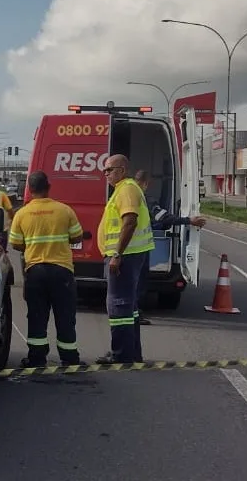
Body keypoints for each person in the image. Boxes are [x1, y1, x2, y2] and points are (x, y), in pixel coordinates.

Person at [8, 171, 86, 367]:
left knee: (36, 315)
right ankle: (69, 359)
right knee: (65, 315)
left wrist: (32, 245)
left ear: (30, 189)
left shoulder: (22, 213)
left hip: (35, 271)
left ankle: (36, 358)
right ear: (48, 187)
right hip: (62, 271)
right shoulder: (64, 210)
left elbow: (15, 244)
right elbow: (77, 237)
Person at [95, 155, 154, 364]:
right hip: (129, 256)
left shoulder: (127, 189)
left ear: (121, 170)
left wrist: (117, 254)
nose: (106, 174)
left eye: (108, 170)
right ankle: (131, 354)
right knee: (128, 307)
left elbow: (130, 221)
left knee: (119, 306)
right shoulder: (123, 189)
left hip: (125, 257)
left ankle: (122, 355)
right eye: (105, 170)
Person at [132, 170, 207, 326]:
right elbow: (163, 218)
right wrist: (188, 221)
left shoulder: (126, 195)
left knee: (131, 283)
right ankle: (135, 315)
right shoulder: (145, 198)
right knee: (139, 284)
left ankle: (131, 314)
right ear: (146, 183)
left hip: (128, 248)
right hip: (139, 249)